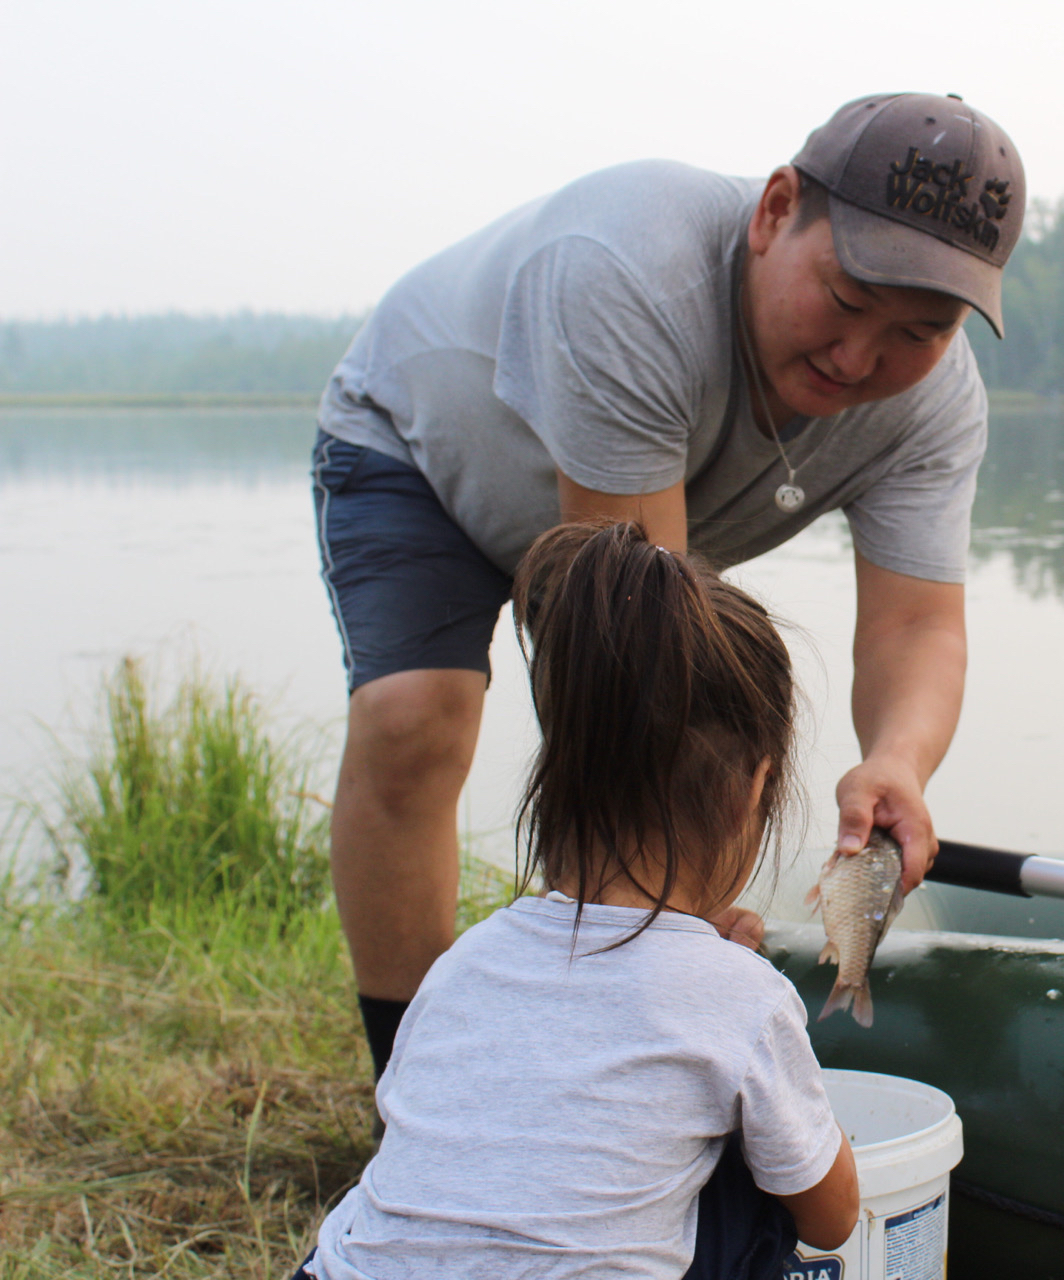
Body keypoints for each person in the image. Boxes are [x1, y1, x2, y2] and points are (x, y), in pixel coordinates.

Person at [310, 92, 1026, 1081]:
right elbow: (633, 641)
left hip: (642, 532)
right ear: (776, 211)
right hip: (425, 451)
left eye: (920, 330)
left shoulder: (931, 406)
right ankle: (420, 1087)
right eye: (849, 299)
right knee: (416, 719)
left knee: (678, 778)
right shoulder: (631, 274)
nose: (861, 357)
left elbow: (914, 626)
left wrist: (896, 760)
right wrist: (677, 889)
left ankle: (587, 1053)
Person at [296, 521, 859, 1280]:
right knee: (755, 1196)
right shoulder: (742, 998)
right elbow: (833, 1216)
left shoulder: (466, 963)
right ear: (753, 791)